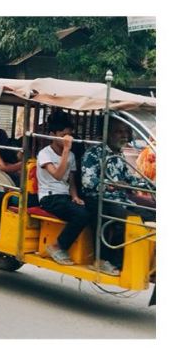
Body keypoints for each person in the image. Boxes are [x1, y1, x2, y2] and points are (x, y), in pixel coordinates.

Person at [81, 119, 156, 274]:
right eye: (119, 132)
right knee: (124, 219)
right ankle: (105, 260)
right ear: (107, 133)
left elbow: (128, 179)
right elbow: (88, 182)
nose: (123, 136)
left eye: (125, 132)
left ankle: (144, 259)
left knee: (150, 214)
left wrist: (149, 184)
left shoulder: (119, 154)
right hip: (97, 198)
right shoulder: (93, 153)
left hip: (119, 199)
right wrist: (113, 185)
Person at [36, 111, 93, 267]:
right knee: (81, 215)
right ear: (53, 135)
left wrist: (75, 196)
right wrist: (66, 151)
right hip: (49, 197)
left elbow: (71, 180)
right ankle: (57, 246)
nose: (68, 138)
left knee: (92, 208)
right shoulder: (44, 154)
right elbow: (58, 175)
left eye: (70, 135)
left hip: (65, 196)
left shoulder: (72, 156)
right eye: (63, 135)